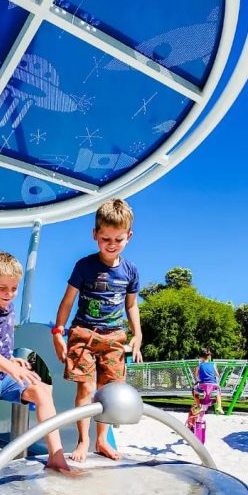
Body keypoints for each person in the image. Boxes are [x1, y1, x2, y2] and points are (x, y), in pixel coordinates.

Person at [0, 251, 74, 495]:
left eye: (14, 288)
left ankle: (56, 456)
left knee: (42, 392)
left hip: (2, 377)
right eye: (3, 288)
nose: (9, 294)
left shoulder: (7, 309)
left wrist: (13, 361)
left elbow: (0, 345)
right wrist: (9, 366)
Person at [53, 198, 143, 461]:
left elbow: (131, 305)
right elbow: (67, 301)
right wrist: (58, 332)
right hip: (84, 333)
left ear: (129, 236)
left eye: (118, 239)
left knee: (109, 391)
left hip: (114, 335)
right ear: (95, 234)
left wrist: (137, 334)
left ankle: (102, 440)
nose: (111, 244)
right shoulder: (84, 266)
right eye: (105, 238)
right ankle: (84, 441)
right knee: (86, 388)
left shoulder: (130, 270)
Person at [193, 348, 224, 416]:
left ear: (200, 357)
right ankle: (219, 407)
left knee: (195, 392)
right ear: (209, 356)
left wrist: (198, 380)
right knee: (218, 393)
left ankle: (198, 406)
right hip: (213, 385)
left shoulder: (199, 365)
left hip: (203, 385)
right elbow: (217, 374)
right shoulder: (213, 364)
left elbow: (196, 375)